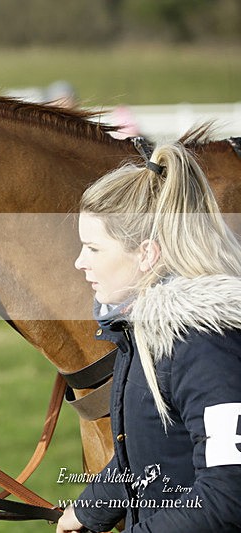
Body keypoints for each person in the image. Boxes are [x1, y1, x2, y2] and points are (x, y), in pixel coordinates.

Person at [57, 143, 241, 531]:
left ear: (146, 254)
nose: (79, 261)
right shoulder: (142, 328)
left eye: (92, 248)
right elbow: (146, 455)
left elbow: (228, 499)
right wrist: (87, 512)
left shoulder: (204, 345)